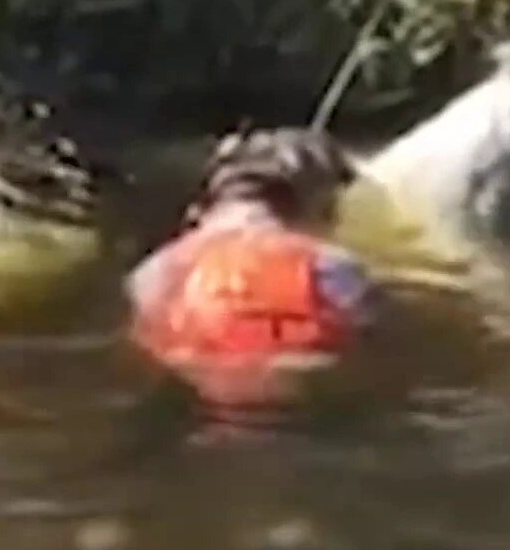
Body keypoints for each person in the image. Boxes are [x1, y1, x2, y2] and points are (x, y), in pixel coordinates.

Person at [125, 127, 371, 420]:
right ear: (318, 202)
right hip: (308, 404)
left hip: (194, 407)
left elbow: (141, 362)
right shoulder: (334, 267)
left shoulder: (155, 272)